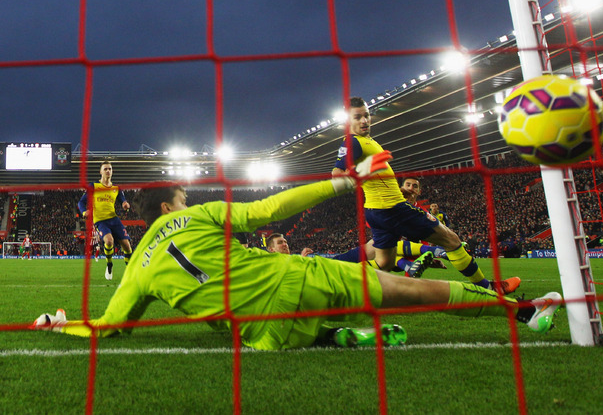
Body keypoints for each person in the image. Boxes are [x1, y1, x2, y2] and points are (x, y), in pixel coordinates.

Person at [32, 152, 562, 350]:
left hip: (263, 337)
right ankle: (524, 313)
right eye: (182, 194)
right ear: (171, 204)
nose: (187, 197)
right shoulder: (197, 215)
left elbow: (109, 328)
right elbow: (267, 211)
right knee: (411, 290)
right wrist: (340, 183)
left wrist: (60, 323)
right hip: (300, 278)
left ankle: (336, 337)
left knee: (252, 322)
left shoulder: (138, 271)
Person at [332, 97, 520, 294]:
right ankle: (489, 288)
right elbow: (337, 175)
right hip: (393, 209)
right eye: (357, 117)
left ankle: (336, 276)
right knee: (452, 240)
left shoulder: (366, 141)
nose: (364, 120)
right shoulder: (353, 142)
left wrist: (398, 190)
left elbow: (375, 177)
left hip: (378, 210)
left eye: (366, 115)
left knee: (384, 263)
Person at [78, 161, 133, 281]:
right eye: (105, 169)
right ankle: (109, 264)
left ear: (112, 171)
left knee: (127, 247)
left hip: (114, 219)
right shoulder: (93, 186)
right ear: (101, 172)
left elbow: (123, 201)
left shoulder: (116, 188)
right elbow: (81, 202)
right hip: (100, 221)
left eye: (110, 169)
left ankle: (130, 273)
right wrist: (84, 212)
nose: (108, 171)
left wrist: (125, 205)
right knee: (109, 241)